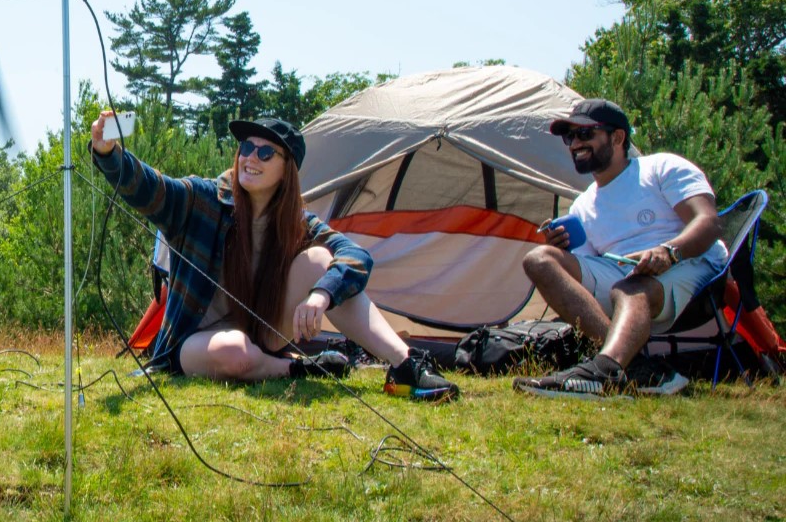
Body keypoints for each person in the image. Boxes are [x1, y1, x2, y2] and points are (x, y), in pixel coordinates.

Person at [90, 111, 459, 401]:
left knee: (320, 263)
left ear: (287, 170)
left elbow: (356, 256)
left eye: (265, 152)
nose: (251, 157)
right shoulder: (203, 200)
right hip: (195, 345)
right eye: (246, 148)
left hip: (260, 330)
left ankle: (405, 365)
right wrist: (109, 154)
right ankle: (292, 370)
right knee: (235, 350)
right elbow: (151, 189)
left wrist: (321, 294)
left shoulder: (297, 222)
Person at [513, 98, 727, 398]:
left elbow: (709, 222)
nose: (575, 144)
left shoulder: (661, 167)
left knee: (629, 287)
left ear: (618, 137)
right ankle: (635, 367)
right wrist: (563, 255)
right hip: (626, 281)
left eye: (585, 134)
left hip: (691, 267)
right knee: (539, 259)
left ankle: (603, 372)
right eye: (569, 137)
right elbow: (587, 284)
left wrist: (668, 251)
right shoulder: (583, 206)